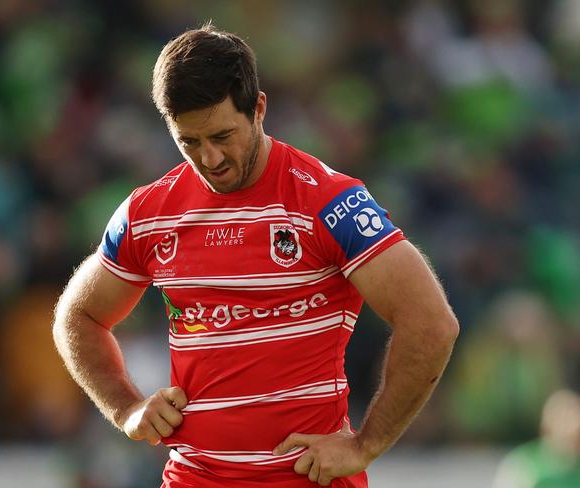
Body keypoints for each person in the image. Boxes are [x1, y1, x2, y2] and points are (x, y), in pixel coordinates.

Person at [53, 23, 459, 488]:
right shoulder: (150, 212)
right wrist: (125, 407)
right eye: (189, 141)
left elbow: (431, 323)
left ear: (259, 108)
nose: (210, 159)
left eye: (223, 135)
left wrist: (366, 445)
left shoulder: (330, 202)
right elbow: (77, 315)